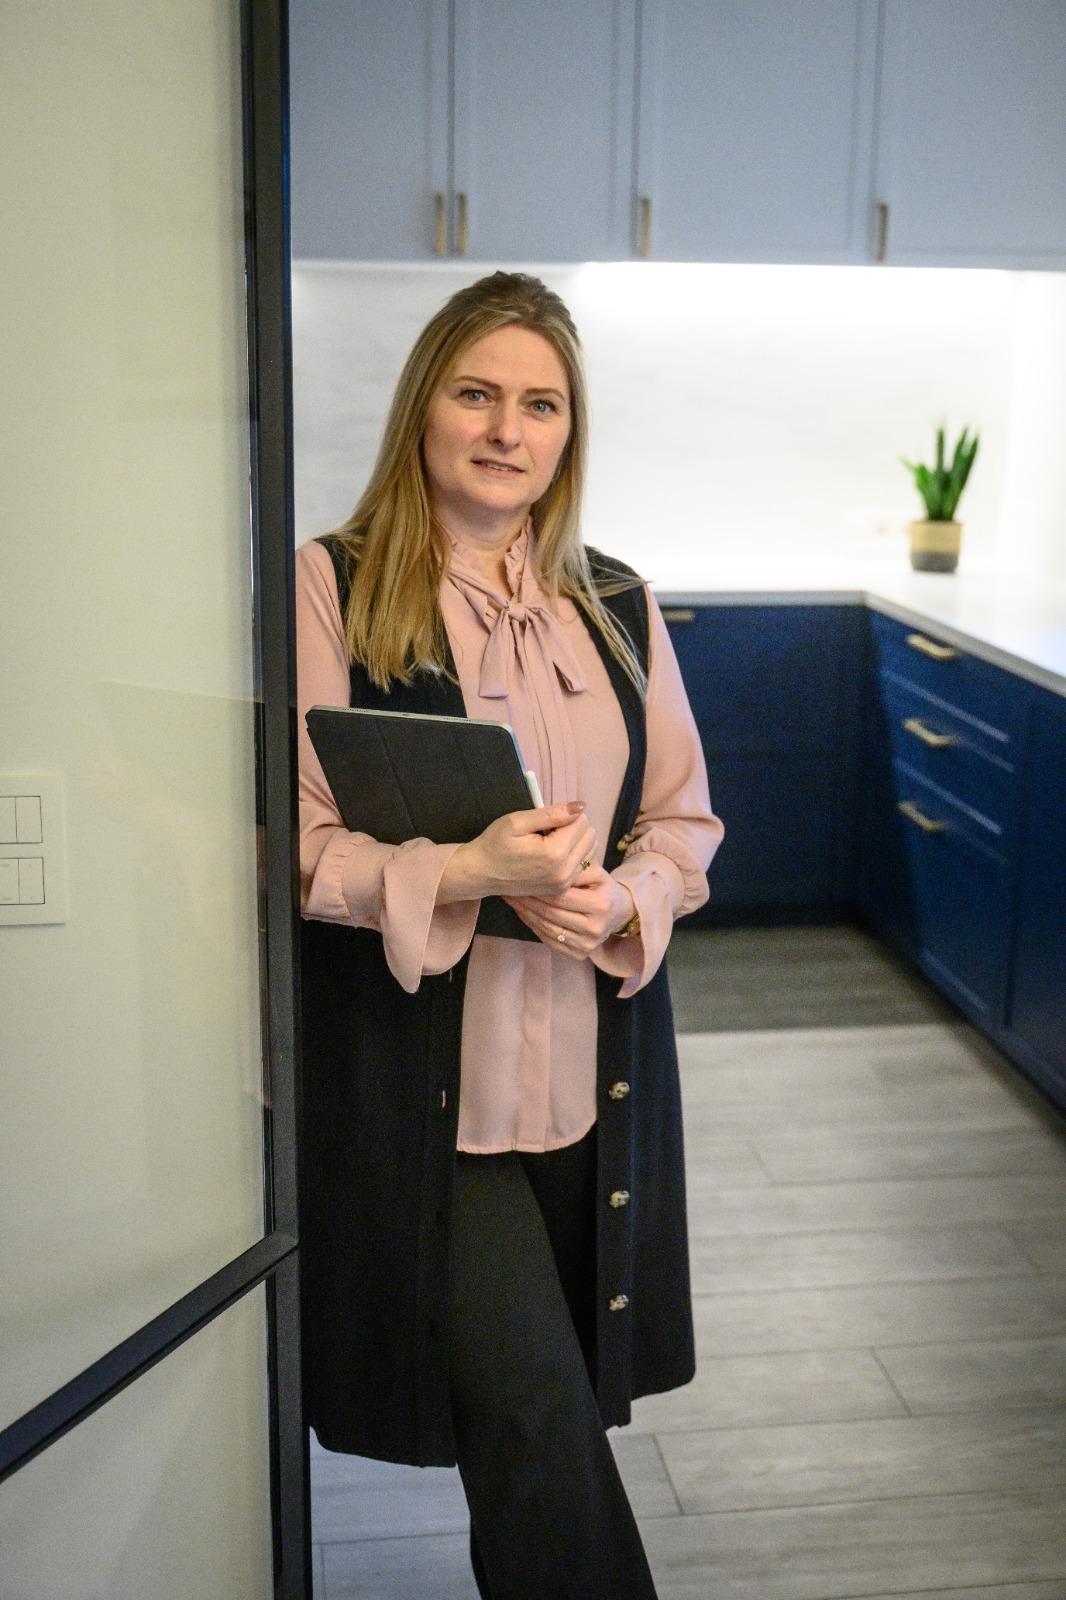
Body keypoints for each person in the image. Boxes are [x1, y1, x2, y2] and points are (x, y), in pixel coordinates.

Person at [296, 270, 725, 1599]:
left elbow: (683, 824)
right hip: (430, 1099)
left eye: (540, 404)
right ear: (422, 408)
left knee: (540, 1419)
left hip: (593, 1087)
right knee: (535, 1415)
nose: (505, 429)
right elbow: (296, 845)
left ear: (568, 431)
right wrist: (467, 871)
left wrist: (626, 899)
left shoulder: (618, 602)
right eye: (476, 393)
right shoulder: (331, 584)